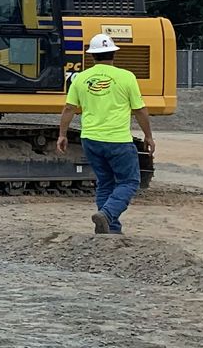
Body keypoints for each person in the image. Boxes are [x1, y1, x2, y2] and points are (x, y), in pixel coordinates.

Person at [56, 32, 155, 234]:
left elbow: (68, 109)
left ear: (92, 56)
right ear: (113, 54)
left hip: (91, 140)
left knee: (105, 183)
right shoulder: (126, 77)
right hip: (118, 140)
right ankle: (108, 214)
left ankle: (111, 229)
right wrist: (148, 136)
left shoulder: (81, 78)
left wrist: (62, 134)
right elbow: (140, 110)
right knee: (129, 181)